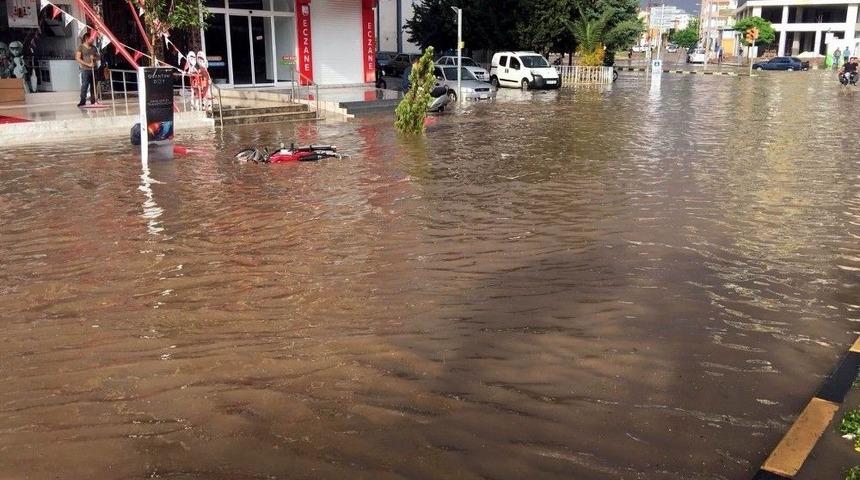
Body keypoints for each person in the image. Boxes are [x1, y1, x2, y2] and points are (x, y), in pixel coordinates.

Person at [75, 34, 99, 107]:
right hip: (85, 69)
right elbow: (77, 58)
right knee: (85, 85)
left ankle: (93, 101)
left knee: (94, 85)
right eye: (91, 39)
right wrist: (88, 64)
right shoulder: (81, 47)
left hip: (94, 69)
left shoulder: (94, 48)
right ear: (86, 39)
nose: (93, 41)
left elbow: (98, 57)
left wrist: (94, 57)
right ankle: (82, 101)